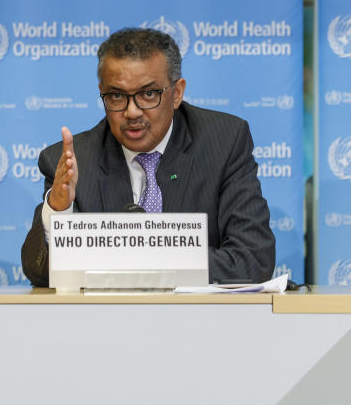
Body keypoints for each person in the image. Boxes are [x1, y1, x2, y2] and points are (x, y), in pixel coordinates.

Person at [21, 28, 275, 286]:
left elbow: (253, 260)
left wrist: (147, 256)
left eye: (148, 94)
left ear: (176, 93)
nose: (132, 112)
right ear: (102, 92)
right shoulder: (71, 161)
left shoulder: (224, 142)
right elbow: (40, 275)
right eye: (117, 96)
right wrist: (58, 211)